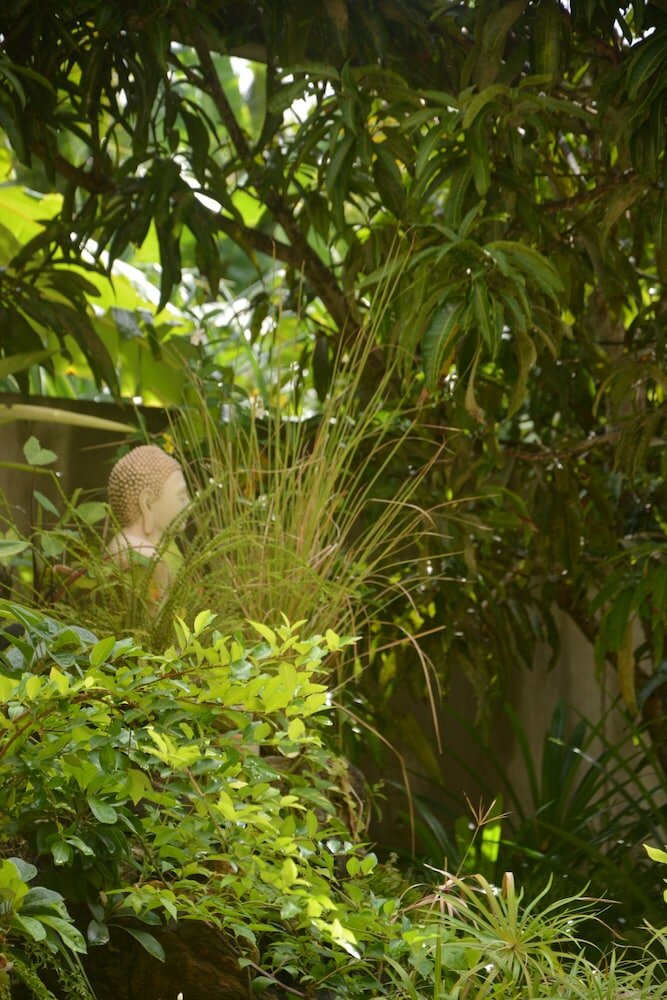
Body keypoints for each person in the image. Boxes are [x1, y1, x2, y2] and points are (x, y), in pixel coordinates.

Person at [107, 445, 189, 598]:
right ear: (147, 503)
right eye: (181, 497)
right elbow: (155, 620)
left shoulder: (119, 544)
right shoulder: (147, 559)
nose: (189, 504)